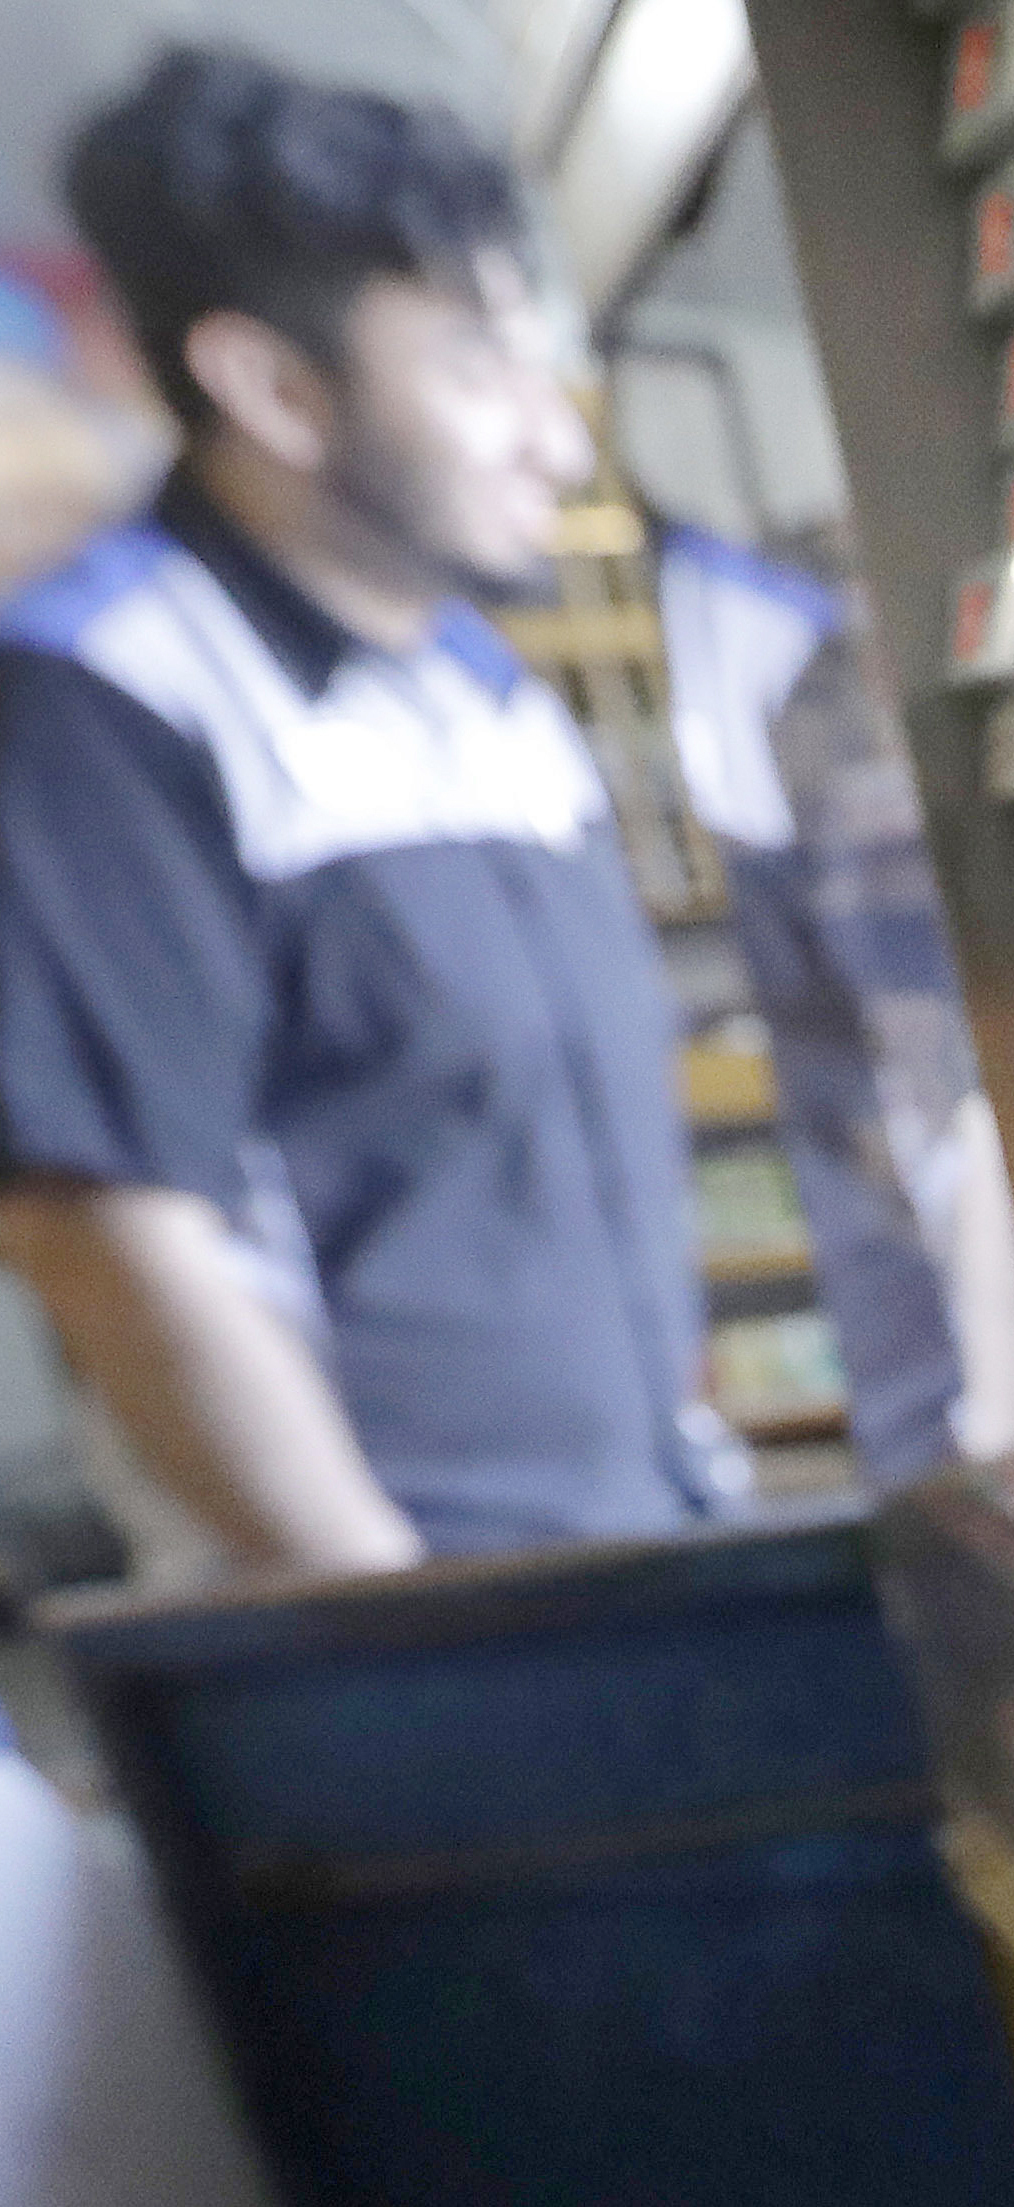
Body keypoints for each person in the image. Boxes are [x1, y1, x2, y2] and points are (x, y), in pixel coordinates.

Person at [0, 49, 722, 1573]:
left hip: (630, 1550)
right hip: (408, 1634)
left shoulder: (483, 689)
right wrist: (391, 1623)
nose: (557, 438)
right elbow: (108, 1230)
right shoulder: (108, 699)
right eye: (476, 368)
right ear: (272, 387)